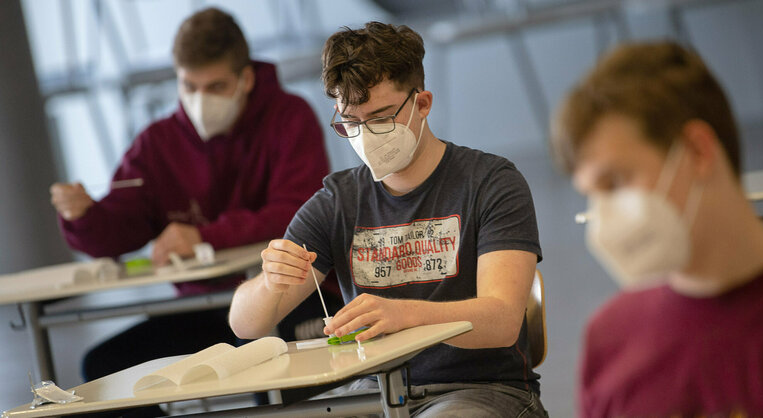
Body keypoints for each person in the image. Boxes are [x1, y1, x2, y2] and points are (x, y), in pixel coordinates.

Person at [229, 22, 548, 417]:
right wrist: (270, 281)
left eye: (380, 118)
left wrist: (404, 315)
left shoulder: (490, 183)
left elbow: (501, 320)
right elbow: (245, 324)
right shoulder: (337, 201)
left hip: (480, 390)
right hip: (370, 393)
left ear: (423, 103)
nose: (366, 135)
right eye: (352, 122)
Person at [48, 7, 339, 388]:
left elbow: (299, 214)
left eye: (215, 87)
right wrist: (83, 217)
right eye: (189, 87)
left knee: (261, 351)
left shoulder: (290, 117)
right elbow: (117, 231)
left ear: (246, 78)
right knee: (104, 368)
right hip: (203, 307)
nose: (200, 100)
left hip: (288, 297)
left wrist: (204, 236)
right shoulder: (157, 142)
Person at [552, 41, 763, 417]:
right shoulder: (610, 339)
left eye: (616, 183)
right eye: (591, 194)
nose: (603, 216)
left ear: (698, 151)